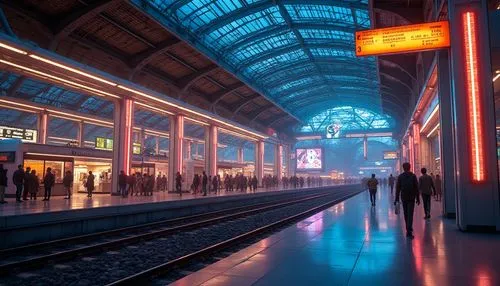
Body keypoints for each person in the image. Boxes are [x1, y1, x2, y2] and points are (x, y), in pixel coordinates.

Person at [395, 162, 420, 239]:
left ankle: (408, 228)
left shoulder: (400, 177)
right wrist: (418, 198)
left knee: (406, 213)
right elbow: (416, 188)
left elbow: (398, 188)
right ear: (410, 167)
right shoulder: (413, 176)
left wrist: (396, 199)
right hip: (411, 197)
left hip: (404, 197)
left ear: (403, 168)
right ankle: (409, 229)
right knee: (410, 214)